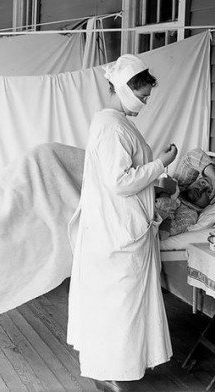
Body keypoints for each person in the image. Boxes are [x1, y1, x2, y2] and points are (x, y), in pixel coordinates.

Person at [67, 54, 177, 390]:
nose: (145, 103)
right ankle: (108, 371)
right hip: (116, 229)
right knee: (119, 304)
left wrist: (156, 182)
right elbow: (119, 182)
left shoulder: (116, 122)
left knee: (122, 303)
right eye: (142, 96)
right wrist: (161, 163)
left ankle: (121, 366)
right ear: (126, 90)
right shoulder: (112, 126)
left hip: (118, 223)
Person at [156, 148, 215, 239]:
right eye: (203, 182)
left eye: (209, 192)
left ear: (214, 201)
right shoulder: (181, 183)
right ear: (198, 178)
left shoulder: (189, 215)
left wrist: (165, 194)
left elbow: (163, 231)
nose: (201, 189)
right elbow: (192, 155)